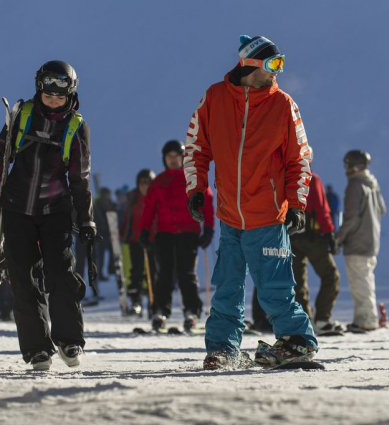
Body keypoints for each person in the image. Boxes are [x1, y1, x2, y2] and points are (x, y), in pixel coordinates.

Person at [184, 34, 318, 370]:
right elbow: (196, 148)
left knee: (274, 289)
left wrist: (297, 203)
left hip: (269, 216)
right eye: (274, 64)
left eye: (281, 63)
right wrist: (196, 189)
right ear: (251, 63)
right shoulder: (214, 98)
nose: (278, 71)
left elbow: (299, 159)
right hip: (230, 216)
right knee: (226, 288)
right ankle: (223, 348)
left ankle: (298, 341)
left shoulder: (282, 104)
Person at [0, 60, 94, 370]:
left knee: (60, 273)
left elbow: (80, 179)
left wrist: (86, 219)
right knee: (23, 279)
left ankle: (69, 341)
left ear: (70, 94)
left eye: (60, 96)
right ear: (39, 89)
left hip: (55, 211)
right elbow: (2, 155)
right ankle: (38, 349)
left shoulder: (75, 126)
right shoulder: (22, 117)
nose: (54, 100)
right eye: (48, 94)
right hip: (16, 209)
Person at [251, 171, 342, 335]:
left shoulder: (281, 180)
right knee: (330, 276)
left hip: (289, 237)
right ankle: (322, 320)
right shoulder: (312, 179)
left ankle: (305, 322)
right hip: (313, 238)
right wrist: (329, 234)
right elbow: (321, 208)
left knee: (298, 282)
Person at [138, 140, 214, 331]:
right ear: (164, 159)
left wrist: (209, 229)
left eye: (176, 156)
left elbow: (207, 203)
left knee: (186, 273)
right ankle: (160, 312)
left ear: (182, 158)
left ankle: (191, 311)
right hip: (164, 234)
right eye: (169, 157)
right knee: (163, 274)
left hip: (188, 233)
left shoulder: (193, 179)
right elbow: (148, 209)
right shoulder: (159, 182)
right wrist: (144, 230)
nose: (173, 160)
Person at [336, 150, 386, 333]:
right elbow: (382, 209)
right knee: (366, 280)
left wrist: (338, 238)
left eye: (347, 165)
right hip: (372, 241)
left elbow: (351, 218)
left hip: (357, 242)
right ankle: (365, 318)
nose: (346, 169)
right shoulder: (372, 183)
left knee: (360, 284)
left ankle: (366, 320)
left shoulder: (355, 185)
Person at [120, 169, 157, 316]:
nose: (144, 186)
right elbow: (128, 217)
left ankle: (153, 301)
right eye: (142, 183)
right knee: (135, 271)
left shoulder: (156, 196)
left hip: (153, 240)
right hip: (135, 239)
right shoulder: (133, 197)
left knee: (153, 271)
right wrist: (122, 234)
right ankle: (136, 301)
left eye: (147, 183)